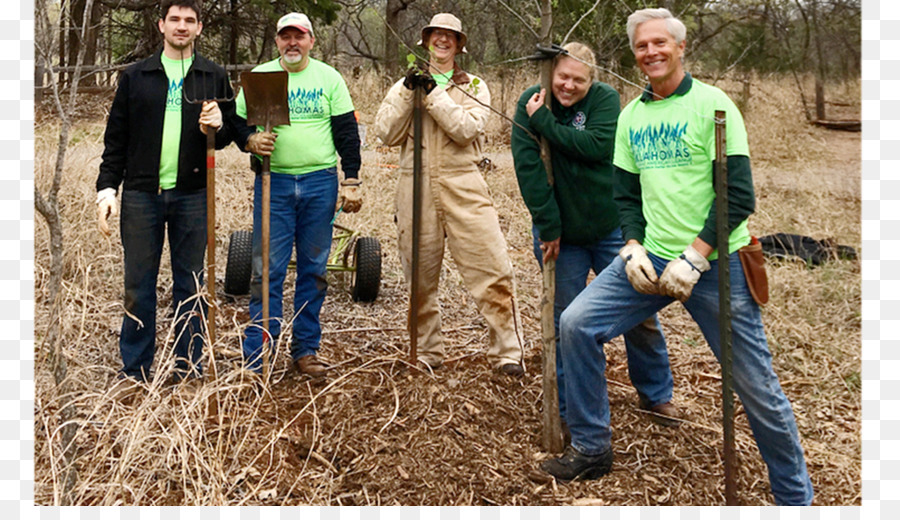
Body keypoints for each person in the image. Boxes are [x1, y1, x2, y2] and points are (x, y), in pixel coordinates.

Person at [539, 8, 814, 506]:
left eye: (660, 43)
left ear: (680, 47)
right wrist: (632, 244)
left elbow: (739, 195)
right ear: (635, 54)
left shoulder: (714, 106)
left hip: (717, 267)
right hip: (649, 261)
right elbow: (625, 194)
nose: (652, 53)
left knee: (756, 387)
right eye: (642, 46)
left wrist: (697, 254)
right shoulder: (632, 117)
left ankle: (795, 496)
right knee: (576, 324)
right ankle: (592, 447)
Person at [510, 42, 678, 433]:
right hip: (560, 235)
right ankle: (570, 410)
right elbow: (528, 167)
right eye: (562, 77)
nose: (568, 86)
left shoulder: (604, 100)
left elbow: (597, 147)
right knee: (566, 321)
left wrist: (545, 124)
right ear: (552, 73)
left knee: (642, 308)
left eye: (578, 80)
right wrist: (548, 225)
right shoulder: (531, 101)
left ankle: (655, 394)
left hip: (609, 228)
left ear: (592, 80)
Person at [374, 13, 525, 376]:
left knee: (491, 266)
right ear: (426, 40)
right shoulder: (404, 85)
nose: (442, 40)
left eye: (450, 36)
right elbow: (385, 133)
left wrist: (432, 93)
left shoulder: (473, 85)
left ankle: (507, 352)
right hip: (415, 182)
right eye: (436, 35)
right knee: (419, 276)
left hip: (464, 181)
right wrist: (410, 91)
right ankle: (427, 351)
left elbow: (465, 128)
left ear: (459, 44)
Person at [96, 0, 236, 383]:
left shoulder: (213, 75)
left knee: (190, 283)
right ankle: (135, 370)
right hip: (142, 195)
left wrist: (220, 124)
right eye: (174, 19)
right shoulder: (137, 76)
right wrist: (107, 188)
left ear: (199, 28)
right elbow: (116, 139)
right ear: (161, 25)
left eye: (189, 20)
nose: (181, 26)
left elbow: (229, 135)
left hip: (192, 194)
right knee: (138, 284)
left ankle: (188, 367)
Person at [236, 12, 362, 378]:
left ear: (310, 40)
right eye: (285, 37)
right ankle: (258, 354)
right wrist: (250, 140)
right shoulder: (261, 78)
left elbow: (346, 133)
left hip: (319, 183)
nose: (292, 43)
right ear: (277, 41)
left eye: (299, 36)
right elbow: (234, 121)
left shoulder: (328, 78)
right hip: (272, 183)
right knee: (267, 271)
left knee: (314, 269)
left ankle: (305, 349)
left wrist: (350, 178)